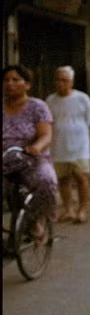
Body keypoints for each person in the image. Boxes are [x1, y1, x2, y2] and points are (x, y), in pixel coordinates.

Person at [2, 64, 57, 242]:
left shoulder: (37, 106)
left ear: (27, 84)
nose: (10, 84)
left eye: (15, 80)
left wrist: (36, 148)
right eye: (6, 80)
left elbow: (46, 135)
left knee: (46, 180)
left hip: (31, 159)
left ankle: (35, 219)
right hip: (4, 160)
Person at [46, 66, 90, 224]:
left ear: (72, 82)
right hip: (58, 146)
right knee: (63, 179)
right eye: (58, 80)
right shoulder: (50, 100)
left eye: (64, 80)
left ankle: (82, 209)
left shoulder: (83, 98)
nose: (60, 83)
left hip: (80, 147)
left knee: (81, 178)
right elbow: (48, 123)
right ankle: (68, 209)